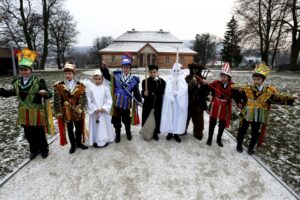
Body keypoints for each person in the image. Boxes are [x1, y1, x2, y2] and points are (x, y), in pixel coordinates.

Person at [0, 48, 52, 159]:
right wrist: (2, 91)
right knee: (28, 134)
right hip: (24, 113)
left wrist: (45, 93)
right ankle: (34, 150)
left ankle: (44, 149)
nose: (23, 72)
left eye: (26, 69)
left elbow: (48, 94)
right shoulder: (17, 82)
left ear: (30, 70)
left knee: (39, 133)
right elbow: (11, 92)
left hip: (36, 112)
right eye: (21, 69)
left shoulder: (38, 82)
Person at [233, 62, 295, 155]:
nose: (256, 81)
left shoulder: (268, 92)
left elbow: (277, 99)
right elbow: (236, 92)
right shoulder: (247, 89)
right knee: (242, 129)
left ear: (263, 80)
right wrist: (239, 102)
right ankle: (239, 145)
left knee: (255, 132)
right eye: (254, 79)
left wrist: (291, 99)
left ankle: (251, 148)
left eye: (258, 79)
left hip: (259, 115)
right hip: (246, 113)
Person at [100, 54, 142, 143]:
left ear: (130, 69)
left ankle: (128, 133)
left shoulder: (134, 80)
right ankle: (118, 135)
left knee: (126, 120)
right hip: (116, 103)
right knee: (116, 120)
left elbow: (137, 92)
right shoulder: (116, 76)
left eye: (127, 67)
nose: (126, 69)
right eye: (124, 67)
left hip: (126, 104)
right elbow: (107, 76)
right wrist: (104, 69)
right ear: (122, 68)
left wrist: (139, 101)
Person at [53, 61, 88, 154]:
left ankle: (79, 143)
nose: (68, 75)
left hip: (77, 111)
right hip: (66, 112)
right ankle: (72, 145)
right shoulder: (59, 86)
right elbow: (56, 100)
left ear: (73, 74)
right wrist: (58, 112)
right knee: (69, 129)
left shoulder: (80, 85)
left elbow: (84, 98)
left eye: (69, 73)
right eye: (66, 73)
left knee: (79, 128)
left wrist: (80, 107)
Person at [205, 63, 239, 147]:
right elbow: (208, 88)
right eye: (222, 76)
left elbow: (236, 96)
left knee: (222, 123)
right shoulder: (216, 83)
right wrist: (205, 83)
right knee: (212, 122)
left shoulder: (232, 86)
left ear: (228, 77)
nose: (223, 78)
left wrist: (239, 102)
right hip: (215, 105)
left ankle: (219, 139)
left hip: (225, 107)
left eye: (225, 77)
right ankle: (209, 138)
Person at [83, 69, 114, 147]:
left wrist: (104, 108)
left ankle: (105, 140)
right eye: (96, 79)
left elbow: (109, 99)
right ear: (93, 79)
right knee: (96, 126)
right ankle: (95, 141)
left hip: (103, 111)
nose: (97, 81)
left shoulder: (105, 88)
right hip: (95, 112)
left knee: (104, 125)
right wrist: (94, 109)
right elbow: (89, 100)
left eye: (99, 79)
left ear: (102, 79)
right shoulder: (90, 89)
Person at [160, 62, 188, 143]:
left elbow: (184, 90)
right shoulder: (169, 79)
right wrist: (171, 93)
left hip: (178, 102)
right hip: (171, 101)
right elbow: (167, 90)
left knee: (177, 117)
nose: (176, 72)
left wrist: (177, 93)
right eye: (174, 70)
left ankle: (176, 133)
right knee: (170, 117)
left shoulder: (182, 80)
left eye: (177, 70)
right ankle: (170, 132)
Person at [185, 63, 210, 140]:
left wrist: (205, 85)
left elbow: (206, 92)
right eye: (193, 70)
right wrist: (190, 85)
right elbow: (184, 90)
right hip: (189, 102)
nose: (195, 72)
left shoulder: (203, 79)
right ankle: (182, 130)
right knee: (186, 118)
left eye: (197, 70)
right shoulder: (187, 78)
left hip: (199, 104)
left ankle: (198, 132)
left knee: (198, 119)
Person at [141, 65, 166, 140]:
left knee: (156, 119)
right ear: (149, 72)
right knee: (147, 118)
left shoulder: (162, 82)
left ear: (157, 72)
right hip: (148, 104)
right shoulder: (145, 82)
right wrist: (143, 93)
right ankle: (147, 132)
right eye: (151, 72)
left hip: (157, 104)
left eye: (154, 72)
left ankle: (155, 133)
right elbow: (143, 93)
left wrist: (152, 92)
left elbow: (161, 92)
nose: (152, 74)